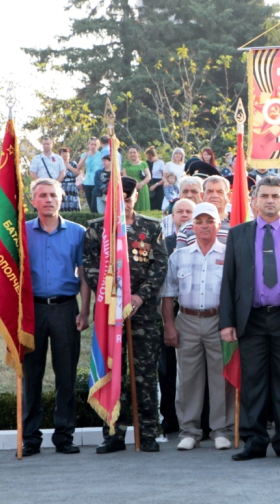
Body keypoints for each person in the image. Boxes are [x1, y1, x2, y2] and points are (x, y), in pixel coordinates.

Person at [219, 176, 280, 462]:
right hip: (251, 318)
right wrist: (227, 322)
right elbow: (228, 280)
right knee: (253, 382)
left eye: (275, 196)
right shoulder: (238, 234)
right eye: (264, 196)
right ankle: (254, 441)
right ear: (255, 200)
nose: (270, 201)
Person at [84, 177, 168, 453]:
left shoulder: (151, 227)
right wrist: (113, 297)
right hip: (110, 314)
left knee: (144, 376)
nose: (124, 203)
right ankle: (114, 434)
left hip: (143, 314)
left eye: (128, 198)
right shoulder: (97, 229)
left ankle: (148, 433)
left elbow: (159, 265)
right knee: (112, 373)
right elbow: (90, 267)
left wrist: (139, 296)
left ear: (136, 197)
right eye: (118, 198)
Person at [22, 178, 90, 457]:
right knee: (31, 375)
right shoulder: (21, 232)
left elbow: (84, 275)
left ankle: (64, 435)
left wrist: (85, 311)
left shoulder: (78, 232)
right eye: (42, 195)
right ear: (33, 200)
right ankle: (30, 437)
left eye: (53, 195)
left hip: (65, 309)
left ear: (62, 199)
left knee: (66, 374)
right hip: (32, 311)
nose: (48, 199)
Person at [162, 202, 234, 451]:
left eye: (209, 221)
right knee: (187, 378)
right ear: (191, 226)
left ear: (218, 225)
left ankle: (221, 430)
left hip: (219, 321)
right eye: (199, 221)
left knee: (221, 377)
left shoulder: (229, 254)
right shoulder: (178, 256)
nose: (204, 226)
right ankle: (189, 431)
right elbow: (168, 295)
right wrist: (169, 326)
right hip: (187, 320)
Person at [159, 198, 195, 435]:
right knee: (168, 368)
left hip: (195, 314)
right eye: (179, 211)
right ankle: (170, 417)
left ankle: (199, 418)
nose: (184, 215)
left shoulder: (206, 242)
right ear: (172, 217)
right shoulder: (164, 244)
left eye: (189, 211)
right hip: (170, 313)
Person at [176, 176, 231, 248]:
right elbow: (180, 254)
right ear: (202, 196)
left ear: (229, 196)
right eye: (210, 191)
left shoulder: (238, 225)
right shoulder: (186, 228)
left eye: (220, 192)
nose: (214, 195)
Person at [122, 146, 152, 212]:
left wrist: (141, 184)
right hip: (130, 187)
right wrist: (133, 183)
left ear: (138, 153)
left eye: (134, 152)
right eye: (130, 153)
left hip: (142, 187)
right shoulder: (126, 164)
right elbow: (124, 175)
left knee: (142, 207)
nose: (132, 154)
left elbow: (148, 176)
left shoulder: (144, 164)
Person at [78, 137, 100, 213]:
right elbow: (78, 167)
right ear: (88, 145)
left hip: (96, 182)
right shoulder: (84, 154)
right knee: (90, 205)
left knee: (95, 206)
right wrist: (85, 157)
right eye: (91, 144)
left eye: (95, 144)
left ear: (97, 145)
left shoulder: (100, 155)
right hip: (87, 182)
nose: (93, 146)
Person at [58, 148, 81, 212]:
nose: (65, 155)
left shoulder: (73, 163)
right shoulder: (58, 164)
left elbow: (78, 173)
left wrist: (69, 166)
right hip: (62, 185)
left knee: (73, 203)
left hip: (72, 186)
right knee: (63, 202)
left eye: (66, 153)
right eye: (63, 153)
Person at [146, 146, 165, 213]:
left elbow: (164, 178)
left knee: (158, 204)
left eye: (150, 158)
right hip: (150, 182)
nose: (149, 160)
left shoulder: (161, 163)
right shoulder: (147, 162)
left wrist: (155, 185)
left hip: (158, 184)